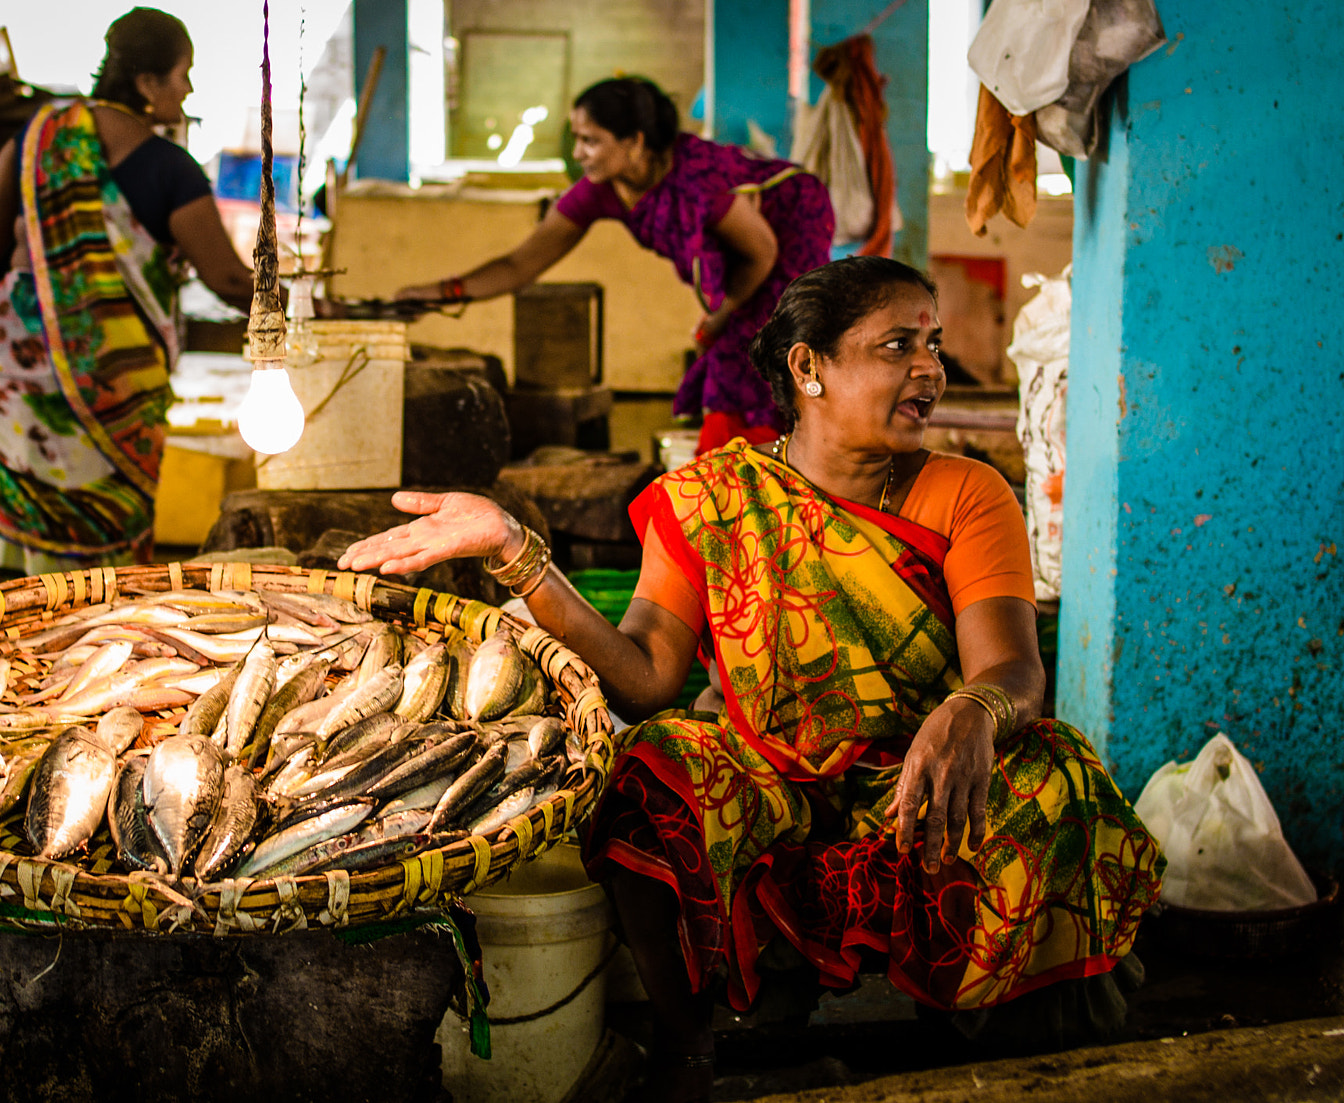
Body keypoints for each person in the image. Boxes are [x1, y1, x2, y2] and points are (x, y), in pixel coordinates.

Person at [339, 256, 1164, 1103]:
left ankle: (1003, 1051)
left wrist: (975, 706)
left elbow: (1013, 667)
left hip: (917, 776)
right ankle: (686, 1050)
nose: (930, 369)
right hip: (771, 773)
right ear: (808, 368)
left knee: (1060, 778)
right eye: (896, 346)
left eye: (933, 344)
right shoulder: (714, 497)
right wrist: (517, 553)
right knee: (650, 769)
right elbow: (647, 678)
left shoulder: (966, 491)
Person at [0, 7, 254, 585]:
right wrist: (301, 307)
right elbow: (227, 279)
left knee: (13, 510)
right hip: (115, 382)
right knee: (108, 520)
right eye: (184, 73)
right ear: (149, 83)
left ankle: (4, 634)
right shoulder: (168, 168)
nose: (190, 87)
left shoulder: (35, 138)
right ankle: (100, 635)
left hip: (14, 361)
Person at [396, 77, 835, 454]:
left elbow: (760, 252)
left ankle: (776, 481)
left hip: (789, 224)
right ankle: (739, 483)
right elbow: (520, 265)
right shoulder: (601, 189)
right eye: (577, 138)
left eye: (591, 139)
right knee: (736, 361)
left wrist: (718, 318)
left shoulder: (700, 182)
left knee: (767, 357)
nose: (579, 152)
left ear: (635, 142)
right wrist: (442, 292)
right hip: (755, 257)